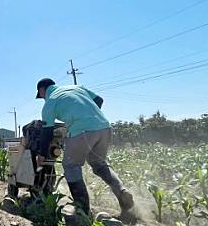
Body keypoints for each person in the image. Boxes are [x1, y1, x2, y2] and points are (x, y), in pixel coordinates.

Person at [35, 77, 134, 215]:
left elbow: (46, 132)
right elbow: (99, 100)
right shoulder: (77, 88)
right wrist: (88, 118)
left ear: (42, 90)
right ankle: (122, 191)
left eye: (41, 96)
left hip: (82, 131)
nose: (43, 98)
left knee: (70, 165)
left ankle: (82, 209)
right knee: (99, 164)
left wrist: (41, 155)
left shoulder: (50, 103)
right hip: (105, 127)